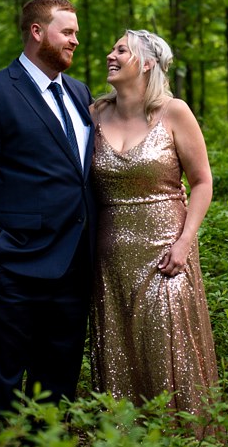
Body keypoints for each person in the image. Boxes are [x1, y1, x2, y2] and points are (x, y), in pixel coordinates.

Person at [0, 0, 96, 414]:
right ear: (37, 32)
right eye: (67, 32)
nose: (74, 42)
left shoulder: (79, 91)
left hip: (73, 266)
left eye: (76, 34)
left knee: (58, 379)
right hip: (11, 265)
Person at [88, 29, 218, 420]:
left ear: (146, 63)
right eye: (112, 47)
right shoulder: (93, 113)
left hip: (166, 252)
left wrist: (184, 242)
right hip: (109, 257)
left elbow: (202, 182)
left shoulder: (174, 111)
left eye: (120, 49)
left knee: (168, 350)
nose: (110, 54)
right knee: (118, 352)